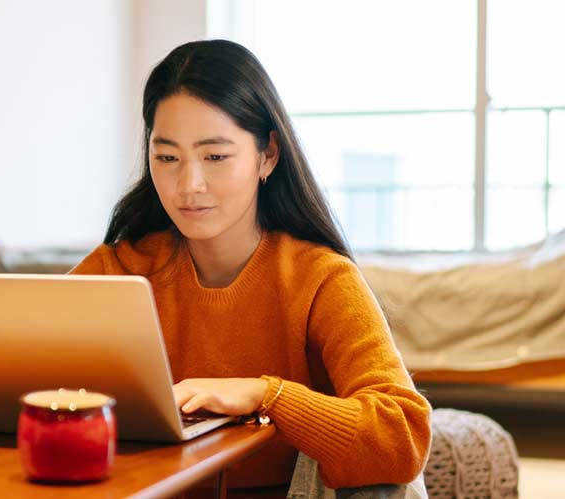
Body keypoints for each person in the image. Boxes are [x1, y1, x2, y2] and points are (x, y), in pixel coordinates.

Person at [69, 39, 431, 497]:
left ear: (268, 155)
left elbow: (404, 436)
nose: (189, 185)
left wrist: (266, 396)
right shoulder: (118, 270)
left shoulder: (318, 276)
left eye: (215, 157)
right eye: (167, 158)